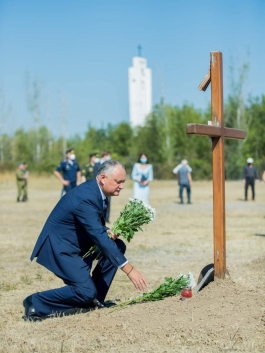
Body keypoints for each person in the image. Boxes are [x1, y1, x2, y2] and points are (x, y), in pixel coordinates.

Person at [22, 161, 148, 321]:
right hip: (61, 248)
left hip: (74, 244)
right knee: (85, 291)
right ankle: (35, 302)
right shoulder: (87, 197)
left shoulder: (98, 191)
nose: (122, 186)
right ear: (103, 178)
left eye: (123, 182)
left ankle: (94, 302)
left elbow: (91, 226)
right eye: (119, 182)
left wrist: (105, 230)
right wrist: (130, 270)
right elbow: (98, 237)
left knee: (117, 246)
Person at [93, 151, 112, 222]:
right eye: (108, 156)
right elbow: (95, 175)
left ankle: (106, 218)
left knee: (108, 202)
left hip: (108, 186)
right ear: (104, 156)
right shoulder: (97, 165)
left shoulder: (109, 165)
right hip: (99, 186)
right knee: (99, 202)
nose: (109, 157)